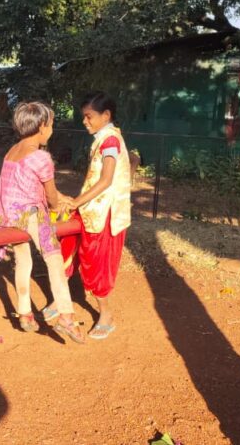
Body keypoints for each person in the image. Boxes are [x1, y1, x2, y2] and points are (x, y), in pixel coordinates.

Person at [0, 101, 84, 344]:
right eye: (52, 125)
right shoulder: (41, 157)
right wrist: (59, 205)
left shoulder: (12, 151)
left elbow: (25, 184)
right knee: (54, 259)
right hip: (30, 214)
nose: (52, 131)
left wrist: (58, 198)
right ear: (42, 126)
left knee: (23, 261)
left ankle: (25, 313)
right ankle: (66, 316)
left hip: (7, 215)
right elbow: (51, 196)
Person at [59, 92, 132, 340]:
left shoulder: (110, 141)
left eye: (89, 116)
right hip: (91, 208)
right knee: (68, 247)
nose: (85, 121)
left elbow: (107, 179)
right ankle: (61, 300)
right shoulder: (105, 138)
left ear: (106, 116)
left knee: (96, 264)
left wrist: (77, 201)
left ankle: (106, 316)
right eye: (84, 117)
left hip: (104, 213)